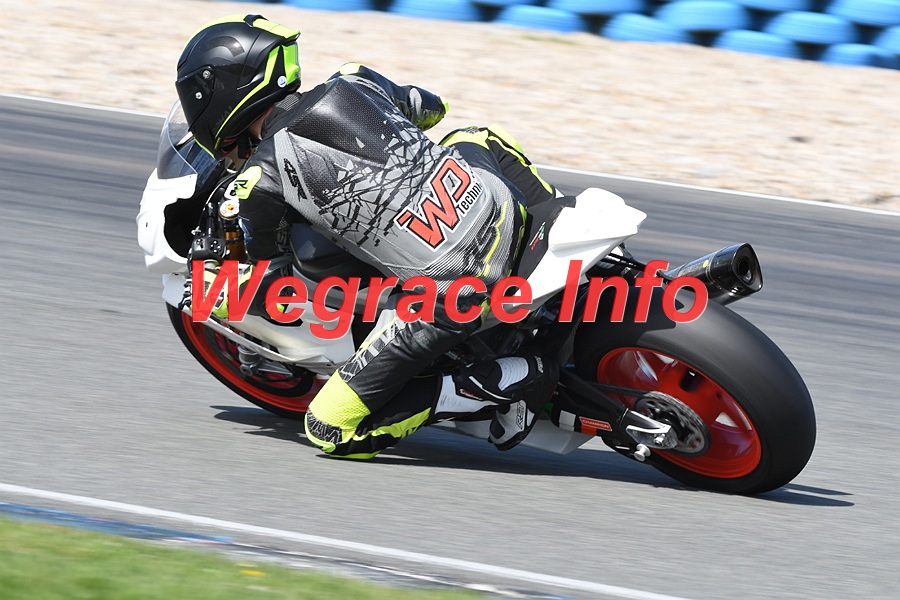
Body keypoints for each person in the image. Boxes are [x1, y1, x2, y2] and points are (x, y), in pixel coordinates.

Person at [176, 14, 560, 459]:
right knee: (474, 136)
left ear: (218, 96)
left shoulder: (259, 180)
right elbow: (433, 109)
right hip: (505, 211)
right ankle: (561, 215)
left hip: (457, 292)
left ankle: (505, 379)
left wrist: (211, 292)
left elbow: (268, 294)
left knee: (328, 429)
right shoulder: (355, 79)